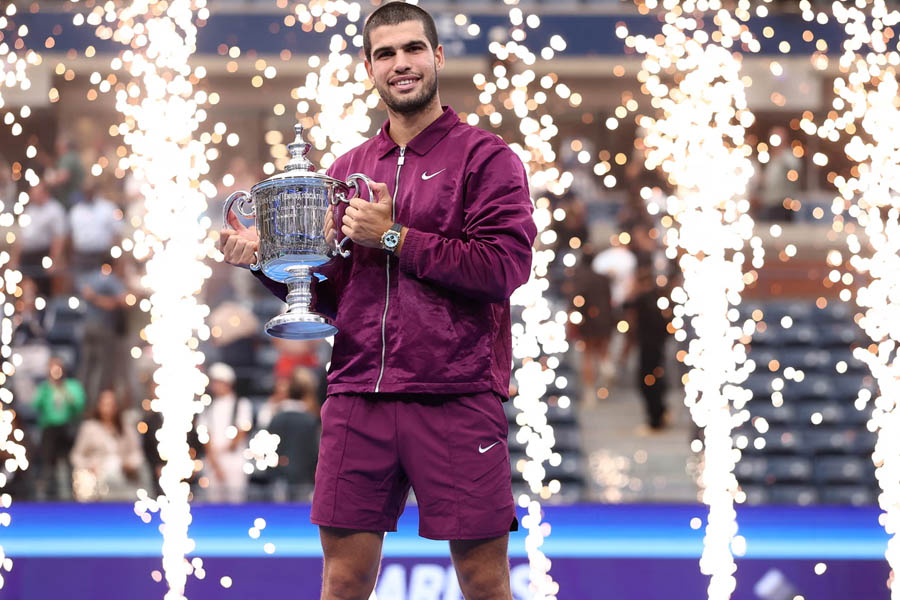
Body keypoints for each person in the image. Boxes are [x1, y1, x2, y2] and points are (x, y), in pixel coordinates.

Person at [218, 3, 537, 598]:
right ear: (369, 68)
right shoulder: (346, 169)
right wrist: (265, 260)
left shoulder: (487, 158)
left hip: (457, 394)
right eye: (385, 54)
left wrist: (394, 238)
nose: (401, 64)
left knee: (485, 582)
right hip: (357, 392)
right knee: (341, 582)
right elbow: (332, 294)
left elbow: (505, 267)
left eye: (413, 49)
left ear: (437, 57)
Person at [70, 388, 145, 501]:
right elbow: (76, 456)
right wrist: (89, 466)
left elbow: (137, 453)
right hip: (98, 482)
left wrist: (129, 464)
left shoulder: (126, 428)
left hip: (123, 481)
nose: (108, 409)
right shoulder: (89, 428)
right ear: (99, 405)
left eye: (111, 404)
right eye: (105, 404)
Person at [197, 362, 253, 503]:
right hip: (213, 461)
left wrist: (224, 451)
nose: (215, 386)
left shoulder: (241, 404)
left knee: (236, 501)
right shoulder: (208, 406)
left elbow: (242, 430)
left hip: (234, 460)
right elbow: (205, 434)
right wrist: (215, 461)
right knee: (213, 502)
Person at [32, 356, 86, 499]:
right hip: (49, 430)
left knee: (71, 462)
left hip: (68, 428)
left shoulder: (72, 386)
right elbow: (36, 405)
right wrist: (48, 387)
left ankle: (74, 494)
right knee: (49, 464)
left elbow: (79, 406)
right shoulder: (44, 387)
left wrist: (63, 390)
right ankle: (49, 494)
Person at [9, 181, 67, 298]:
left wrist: (53, 260)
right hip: (27, 257)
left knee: (43, 293)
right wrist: (14, 259)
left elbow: (59, 237)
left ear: (45, 193)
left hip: (43, 256)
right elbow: (22, 237)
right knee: (25, 291)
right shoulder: (29, 210)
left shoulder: (54, 210)